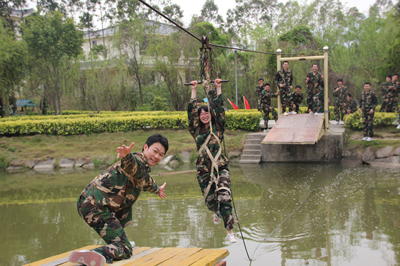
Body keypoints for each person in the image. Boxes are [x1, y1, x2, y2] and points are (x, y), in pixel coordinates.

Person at [68, 134, 168, 266]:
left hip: (95, 204)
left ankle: (119, 243)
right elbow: (132, 165)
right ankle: (99, 252)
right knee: (126, 250)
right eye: (155, 151)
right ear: (145, 147)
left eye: (161, 155)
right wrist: (127, 156)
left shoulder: (143, 171)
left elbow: (147, 181)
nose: (157, 157)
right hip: (95, 206)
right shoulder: (138, 161)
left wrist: (158, 189)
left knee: (124, 236)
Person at [188, 79, 236, 243]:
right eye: (201, 113)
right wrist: (194, 90)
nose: (204, 115)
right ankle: (215, 211)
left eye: (207, 112)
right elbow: (191, 112)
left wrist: (218, 88)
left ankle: (229, 231)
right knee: (210, 201)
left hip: (220, 167)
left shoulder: (218, 128)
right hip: (204, 171)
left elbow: (220, 109)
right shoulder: (196, 131)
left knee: (224, 197)